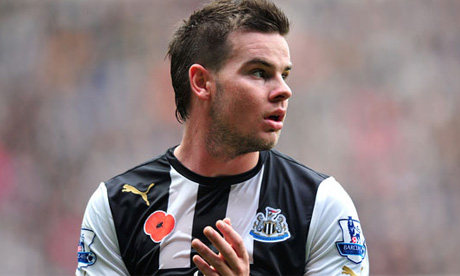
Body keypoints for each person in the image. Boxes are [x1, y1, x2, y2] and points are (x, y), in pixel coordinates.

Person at [76, 0, 369, 275]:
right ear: (202, 83)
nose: (283, 90)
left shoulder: (320, 204)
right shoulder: (117, 206)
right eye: (259, 72)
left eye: (285, 75)